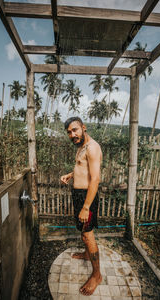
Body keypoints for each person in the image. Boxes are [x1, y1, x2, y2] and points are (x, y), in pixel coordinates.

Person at [61, 117, 102, 296]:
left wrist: (86, 207)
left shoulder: (92, 147)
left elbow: (95, 179)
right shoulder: (81, 147)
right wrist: (72, 174)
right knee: (83, 231)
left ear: (83, 128)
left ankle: (97, 275)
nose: (73, 134)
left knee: (87, 235)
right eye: (69, 132)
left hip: (87, 198)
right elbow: (82, 167)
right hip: (79, 196)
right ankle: (87, 254)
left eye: (75, 130)